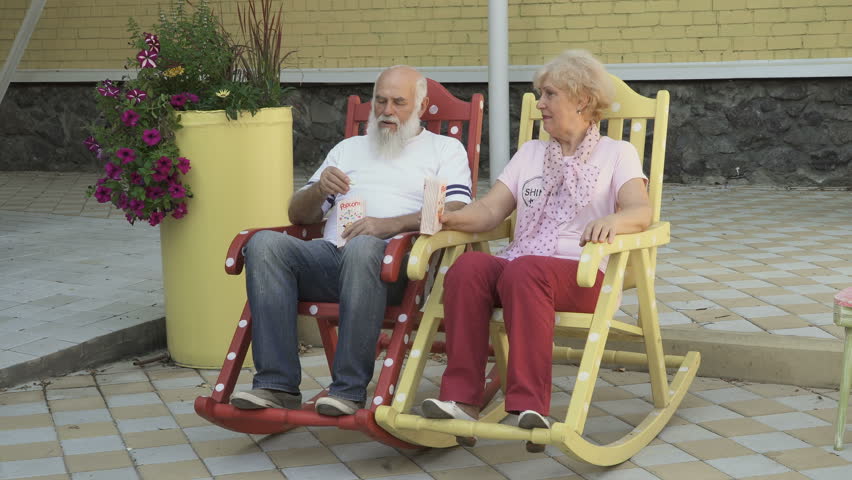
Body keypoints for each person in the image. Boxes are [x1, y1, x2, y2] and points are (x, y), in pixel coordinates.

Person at [419, 50, 652, 451]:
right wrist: (449, 217)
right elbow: (491, 210)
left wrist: (613, 221)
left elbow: (641, 211)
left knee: (525, 270)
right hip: (520, 268)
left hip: (581, 272)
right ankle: (461, 399)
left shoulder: (617, 154)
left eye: (549, 95)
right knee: (469, 268)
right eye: (539, 96)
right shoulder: (529, 154)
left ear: (580, 99)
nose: (540, 104)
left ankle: (530, 405)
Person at [231, 65, 473, 416]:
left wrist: (387, 225)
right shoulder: (348, 149)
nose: (387, 111)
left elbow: (455, 207)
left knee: (363, 247)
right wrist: (318, 189)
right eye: (381, 101)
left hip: (398, 268)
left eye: (399, 103)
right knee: (265, 244)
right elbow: (299, 216)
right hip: (331, 259)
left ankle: (347, 390)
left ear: (421, 107)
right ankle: (276, 386)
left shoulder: (444, 149)